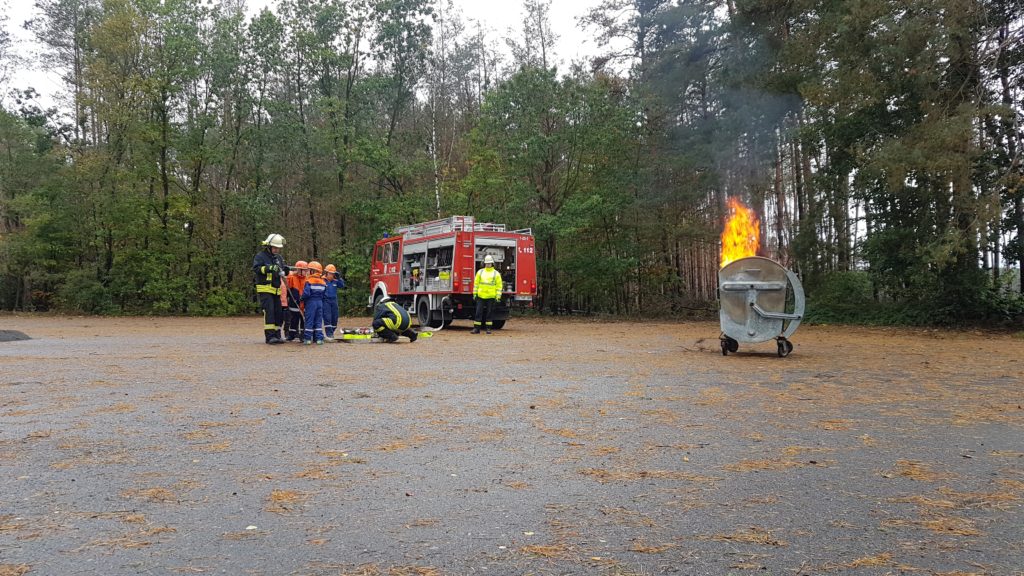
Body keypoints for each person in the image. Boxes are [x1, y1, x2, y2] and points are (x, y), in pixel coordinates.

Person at [252, 233, 288, 344]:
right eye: (275, 248)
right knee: (270, 312)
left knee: (278, 313)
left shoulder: (278, 258)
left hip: (276, 290)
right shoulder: (260, 256)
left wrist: (285, 270)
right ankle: (270, 336)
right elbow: (257, 269)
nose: (277, 250)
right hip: (265, 289)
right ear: (269, 246)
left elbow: (281, 270)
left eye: (278, 248)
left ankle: (277, 335)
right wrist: (270, 268)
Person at [472, 254, 502, 334]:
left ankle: (488, 329)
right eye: (486, 263)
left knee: (489, 313)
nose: (488, 265)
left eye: (489, 263)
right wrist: (475, 294)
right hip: (480, 296)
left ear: (492, 264)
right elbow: (476, 284)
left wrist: (498, 296)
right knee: (478, 312)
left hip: (491, 296)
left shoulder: (496, 274)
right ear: (484, 263)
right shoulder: (480, 272)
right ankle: (476, 329)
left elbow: (499, 286)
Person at [302, 261, 327, 345]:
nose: (307, 272)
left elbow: (306, 293)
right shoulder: (323, 282)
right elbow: (324, 294)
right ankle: (319, 339)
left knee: (309, 320)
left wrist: (301, 299)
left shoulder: (309, 281)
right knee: (318, 321)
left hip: (311, 302)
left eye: (309, 270)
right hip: (320, 302)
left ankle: (307, 339)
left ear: (313, 271)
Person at [285, 260, 308, 342]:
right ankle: (292, 335)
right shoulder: (291, 278)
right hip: (294, 303)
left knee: (303, 320)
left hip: (304, 303)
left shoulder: (307, 279)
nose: (306, 272)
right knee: (293, 320)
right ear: (299, 270)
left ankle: (303, 335)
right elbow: (287, 290)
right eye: (304, 270)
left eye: (306, 270)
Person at [323, 264, 345, 341]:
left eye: (333, 274)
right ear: (326, 273)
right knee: (327, 317)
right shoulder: (322, 280)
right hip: (325, 301)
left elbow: (342, 285)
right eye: (330, 273)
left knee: (335, 318)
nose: (332, 275)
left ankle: (331, 332)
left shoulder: (335, 281)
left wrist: (339, 278)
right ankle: (329, 334)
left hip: (334, 301)